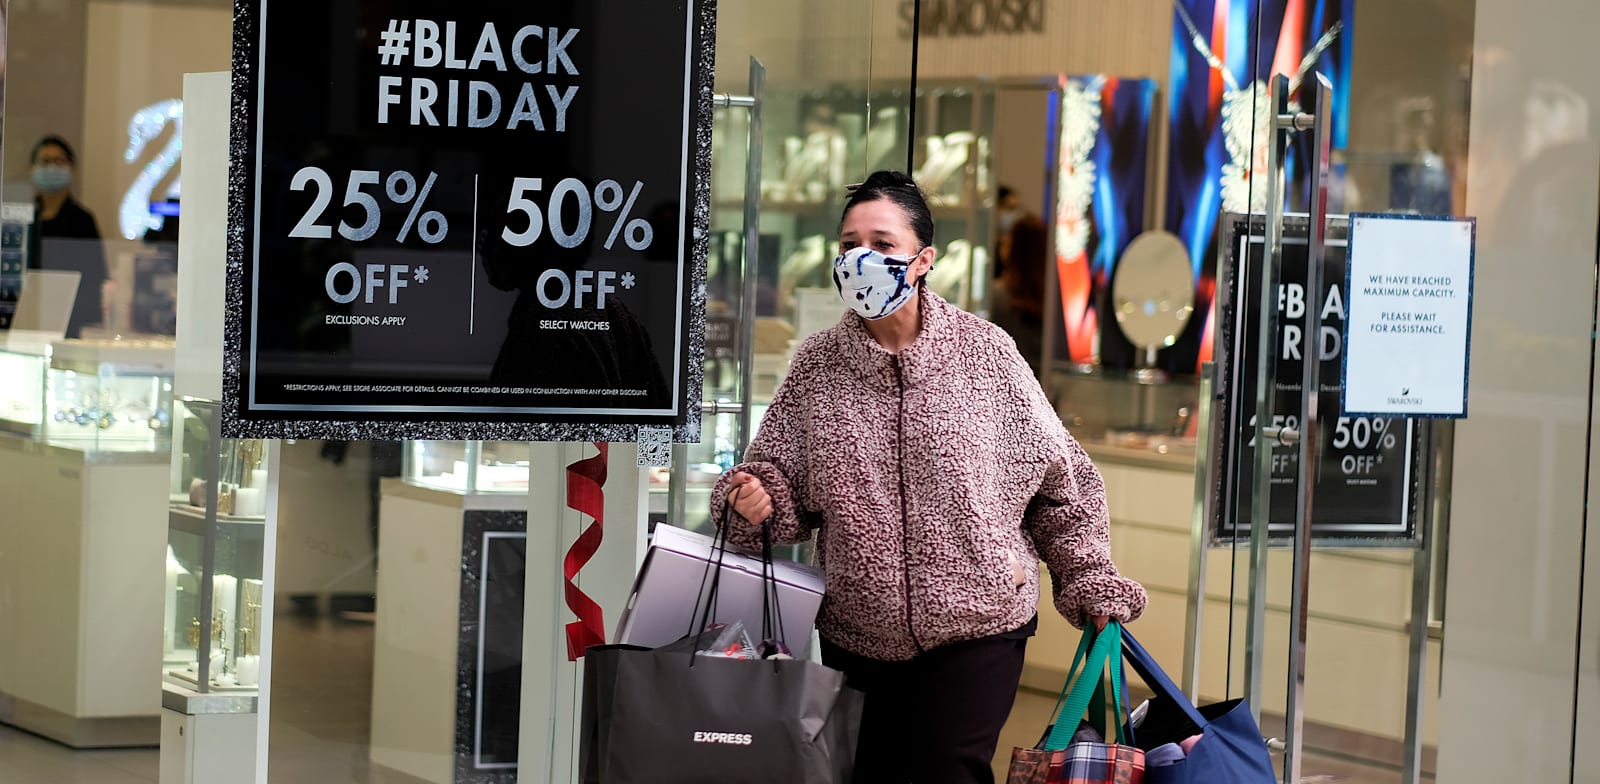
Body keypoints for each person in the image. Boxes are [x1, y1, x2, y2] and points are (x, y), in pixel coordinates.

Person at [711, 170, 1146, 783]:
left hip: (979, 627)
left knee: (947, 772)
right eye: (848, 245)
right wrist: (753, 499)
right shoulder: (817, 366)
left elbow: (1063, 485)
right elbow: (776, 477)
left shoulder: (985, 355)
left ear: (922, 260)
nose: (861, 258)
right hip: (856, 636)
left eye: (882, 244)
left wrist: (1090, 581)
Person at [28, 135, 106, 338]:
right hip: (29, 316)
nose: (51, 167)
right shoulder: (27, 217)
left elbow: (95, 275)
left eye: (59, 161)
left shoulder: (82, 220)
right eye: (45, 161)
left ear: (72, 168)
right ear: (33, 168)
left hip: (71, 321)